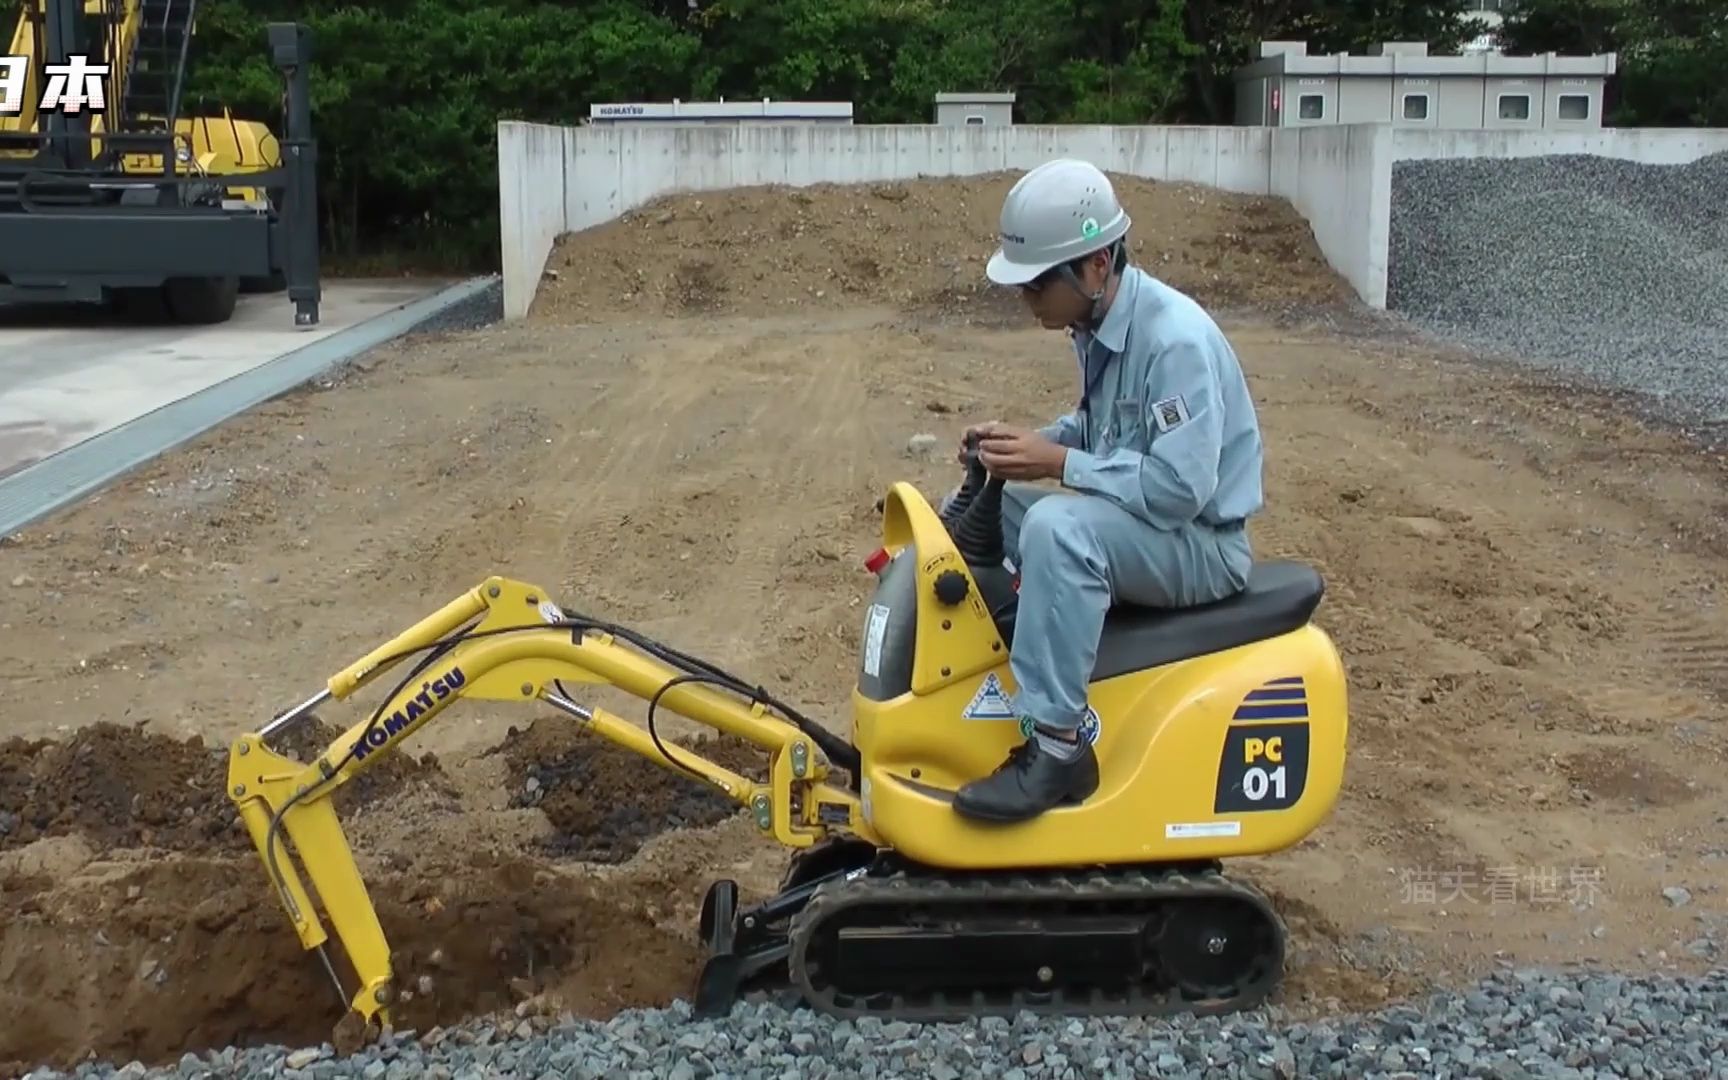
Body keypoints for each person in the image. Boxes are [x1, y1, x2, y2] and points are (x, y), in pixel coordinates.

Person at [948, 158, 1266, 824]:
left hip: (1201, 545)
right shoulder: (1098, 326)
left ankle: (1059, 747)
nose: (1027, 299)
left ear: (1095, 265)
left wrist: (1058, 461)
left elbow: (1180, 489)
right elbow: (1105, 433)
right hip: (1158, 526)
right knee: (1001, 501)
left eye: (1037, 284)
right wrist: (1017, 450)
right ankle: (1018, 648)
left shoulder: (1172, 341)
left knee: (1058, 531)